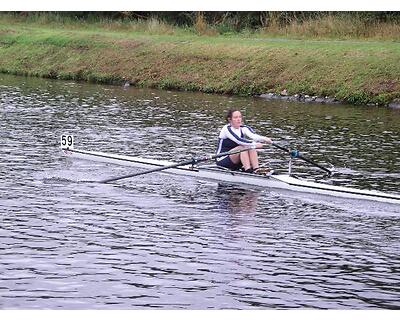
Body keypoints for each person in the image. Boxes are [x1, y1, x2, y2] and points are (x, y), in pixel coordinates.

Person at [215, 109, 272, 173]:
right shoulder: (226, 129)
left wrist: (265, 139)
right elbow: (238, 140)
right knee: (245, 146)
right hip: (222, 159)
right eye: (236, 117)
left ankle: (256, 169)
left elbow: (254, 136)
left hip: (236, 158)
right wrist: (254, 144)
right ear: (230, 119)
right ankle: (247, 170)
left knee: (250, 147)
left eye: (240, 117)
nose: (239, 119)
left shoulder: (243, 128)